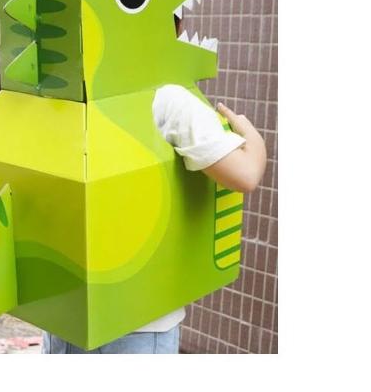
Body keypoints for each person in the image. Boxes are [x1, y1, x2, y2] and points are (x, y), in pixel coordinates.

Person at [42, 84, 267, 354]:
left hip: (61, 317)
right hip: (140, 327)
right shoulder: (167, 99)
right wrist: (253, 137)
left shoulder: (54, 94)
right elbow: (245, 175)